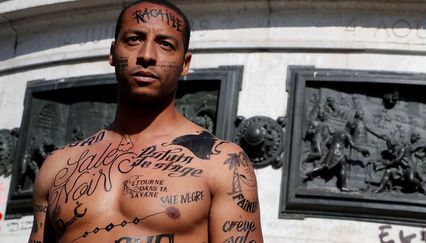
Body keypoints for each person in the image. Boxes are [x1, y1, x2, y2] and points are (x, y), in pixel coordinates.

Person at [28, 1, 263, 242]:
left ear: (185, 64)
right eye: (134, 40)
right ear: (112, 52)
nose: (147, 55)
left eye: (165, 44)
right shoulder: (58, 166)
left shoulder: (222, 164)